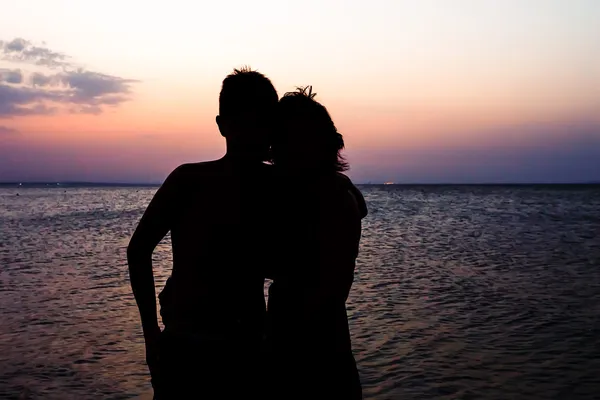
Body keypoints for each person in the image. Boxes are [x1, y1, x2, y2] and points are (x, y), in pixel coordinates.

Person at [127, 67, 278, 399]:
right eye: (244, 121)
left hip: (245, 345)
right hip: (191, 343)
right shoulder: (189, 180)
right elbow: (138, 250)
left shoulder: (277, 185)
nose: (252, 132)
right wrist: (152, 337)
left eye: (259, 122)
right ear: (224, 125)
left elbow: (138, 250)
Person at [266, 86, 367, 399]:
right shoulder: (322, 192)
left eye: (283, 141)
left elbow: (323, 287)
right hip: (311, 349)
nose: (274, 152)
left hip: (313, 356)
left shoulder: (330, 199)